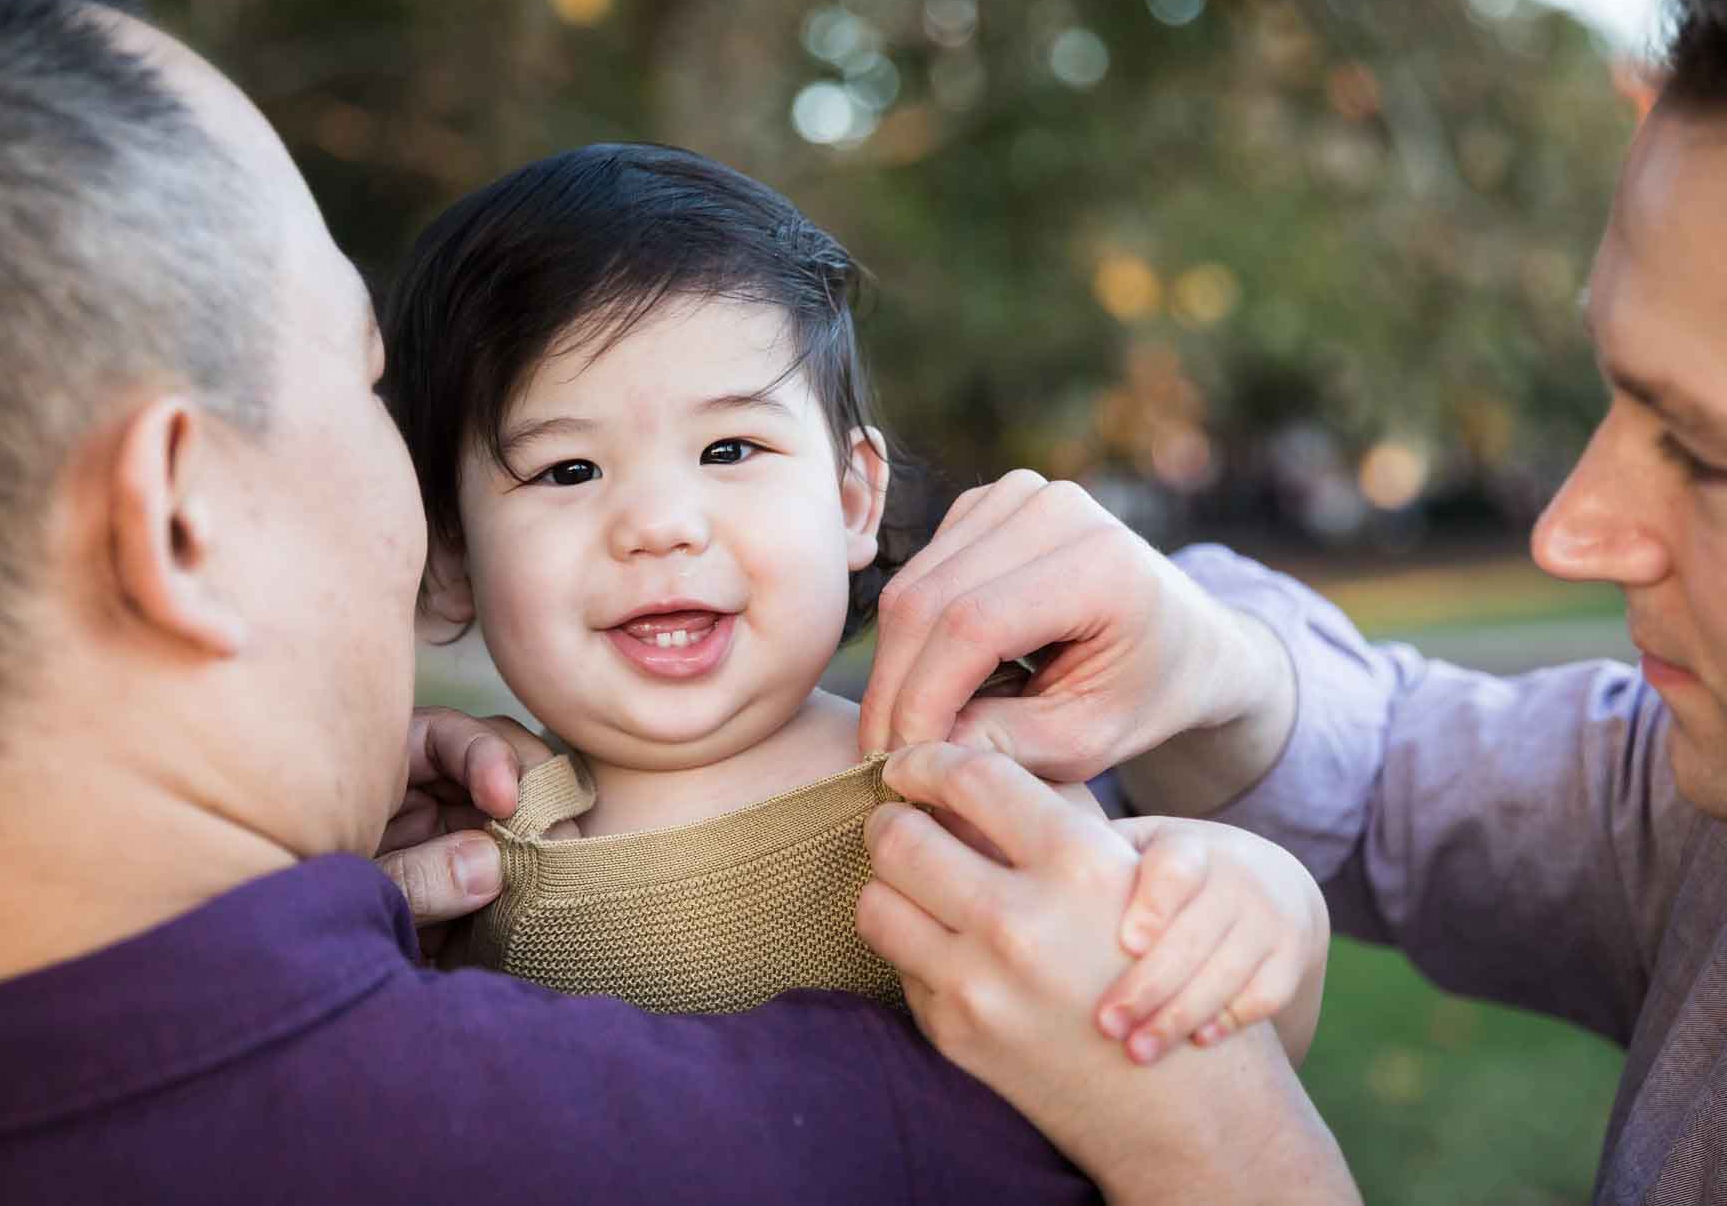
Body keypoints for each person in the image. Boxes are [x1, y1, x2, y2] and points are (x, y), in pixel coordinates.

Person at [0, 0, 1356, 1203]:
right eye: (363, 385)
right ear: (178, 519)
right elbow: (1176, 1057)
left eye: (730, 448)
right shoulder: (828, 1134)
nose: (654, 519)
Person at [851, 0, 1727, 1206]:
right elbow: (1390, 780)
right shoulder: (1691, 816)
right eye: (1613, 397)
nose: (1567, 530)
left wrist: (1221, 1152)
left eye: (1697, 449)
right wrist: (1206, 659)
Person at [380, 141, 1330, 1063]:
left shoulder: (954, 782)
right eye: (568, 468)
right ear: (454, 555)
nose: (661, 525)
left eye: (728, 451)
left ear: (850, 498)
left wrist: (1261, 903)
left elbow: (1186, 1035)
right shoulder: (471, 858)